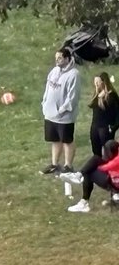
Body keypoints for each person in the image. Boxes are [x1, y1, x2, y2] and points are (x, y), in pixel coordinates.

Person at [41, 46, 81, 175]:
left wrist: (62, 110)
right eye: (56, 58)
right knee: (55, 139)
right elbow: (48, 88)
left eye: (59, 58)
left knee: (67, 140)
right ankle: (54, 164)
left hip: (64, 117)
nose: (57, 60)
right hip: (50, 114)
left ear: (67, 58)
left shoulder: (74, 74)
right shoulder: (54, 71)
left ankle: (68, 165)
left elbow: (73, 97)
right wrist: (44, 103)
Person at [65, 140, 119, 213]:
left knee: (89, 172)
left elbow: (108, 166)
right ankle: (79, 175)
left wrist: (94, 167)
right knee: (96, 158)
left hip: (115, 181)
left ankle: (84, 202)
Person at [86, 73, 119, 158]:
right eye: (95, 81)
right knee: (95, 148)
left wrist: (113, 127)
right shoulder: (97, 94)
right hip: (95, 125)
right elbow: (92, 105)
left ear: (104, 82)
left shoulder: (111, 96)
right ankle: (98, 165)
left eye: (98, 82)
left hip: (105, 127)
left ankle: (109, 166)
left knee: (107, 150)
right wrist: (97, 94)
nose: (96, 84)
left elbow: (117, 112)